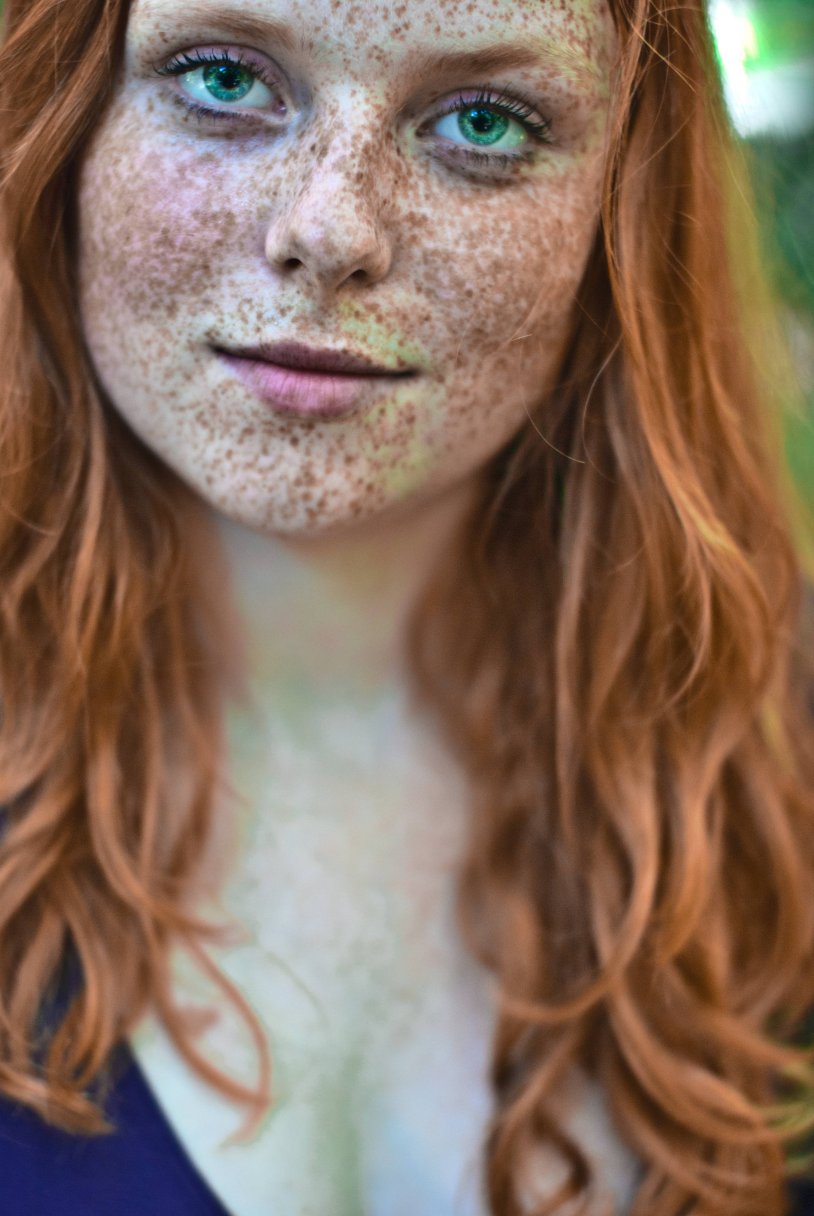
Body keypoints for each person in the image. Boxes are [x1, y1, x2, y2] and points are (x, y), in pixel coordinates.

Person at [0, 0, 812, 1212]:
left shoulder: (786, 753)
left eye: (482, 119)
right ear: (61, 126)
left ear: (624, 214)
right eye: (223, 79)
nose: (327, 227)